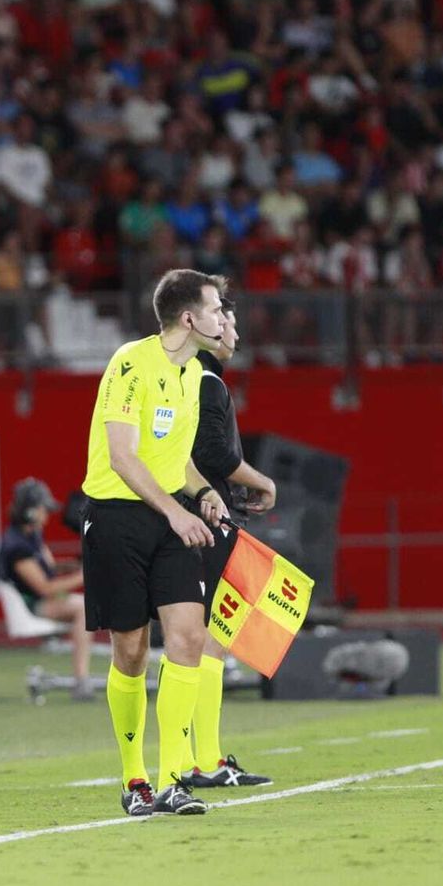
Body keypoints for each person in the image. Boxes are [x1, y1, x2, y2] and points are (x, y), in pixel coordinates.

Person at [80, 268, 229, 818]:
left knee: (188, 637)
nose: (222, 318)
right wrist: (173, 512)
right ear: (189, 318)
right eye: (216, 309)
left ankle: (171, 779)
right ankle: (134, 778)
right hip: (118, 518)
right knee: (132, 651)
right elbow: (122, 456)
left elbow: (177, 460)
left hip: (170, 518)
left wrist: (205, 491)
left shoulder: (193, 374)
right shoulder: (129, 362)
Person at [182, 296, 277, 789]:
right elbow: (213, 453)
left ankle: (203, 757)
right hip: (212, 520)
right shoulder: (208, 382)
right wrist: (263, 482)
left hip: (199, 517)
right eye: (227, 319)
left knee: (202, 641)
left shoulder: (187, 379)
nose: (233, 331)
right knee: (213, 643)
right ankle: (205, 759)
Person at [0, 477, 91, 696]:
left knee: (84, 605)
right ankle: (81, 680)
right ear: (30, 512)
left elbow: (49, 569)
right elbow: (45, 588)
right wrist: (86, 575)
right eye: (43, 510)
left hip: (44, 600)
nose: (47, 516)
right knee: (83, 608)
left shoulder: (31, 536)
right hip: (33, 605)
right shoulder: (17, 546)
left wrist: (74, 564)